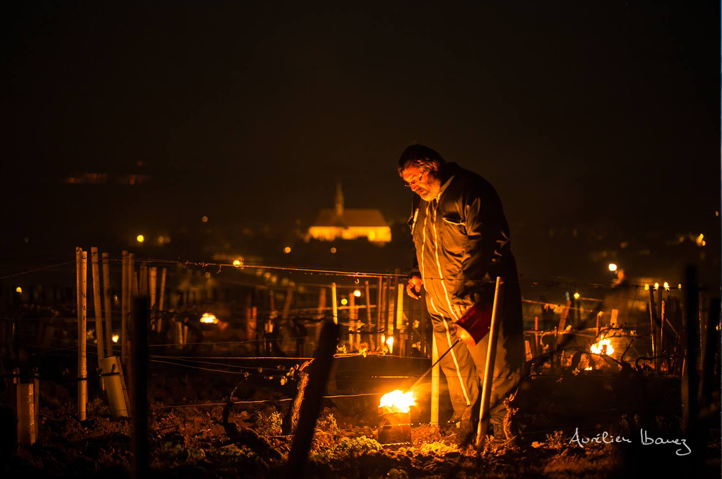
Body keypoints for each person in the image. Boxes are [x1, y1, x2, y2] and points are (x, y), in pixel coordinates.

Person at [398, 144, 525, 446]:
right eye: (408, 183)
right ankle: (468, 427)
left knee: (496, 365)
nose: (413, 187)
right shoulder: (423, 204)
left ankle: (500, 431)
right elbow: (422, 243)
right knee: (455, 369)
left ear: (433, 166)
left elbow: (488, 241)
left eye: (416, 178)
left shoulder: (472, 190)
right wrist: (416, 273)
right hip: (439, 303)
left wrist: (469, 289)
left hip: (476, 300)